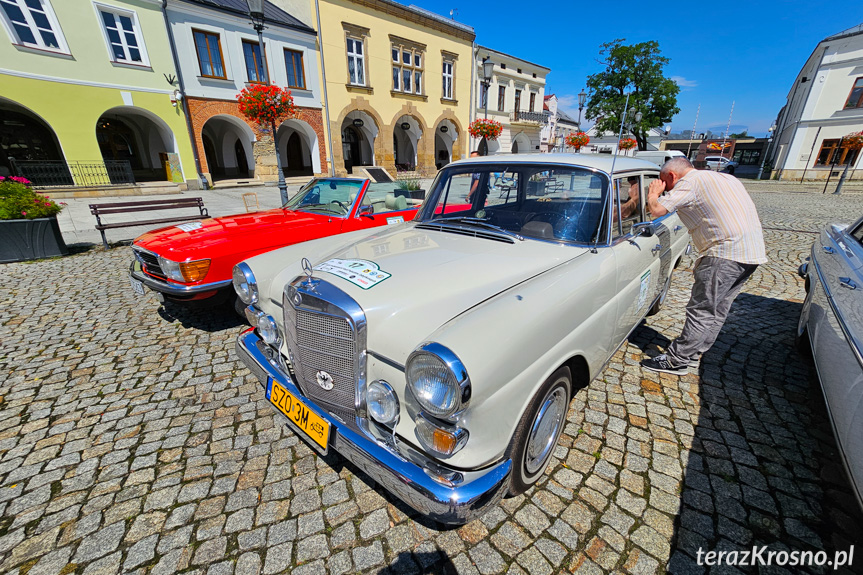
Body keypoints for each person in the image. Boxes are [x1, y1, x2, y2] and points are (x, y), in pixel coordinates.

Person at [640, 157, 767, 375]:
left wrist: (653, 194)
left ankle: (676, 360)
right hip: (751, 253)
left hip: (724, 254)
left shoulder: (689, 182)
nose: (667, 189)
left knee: (701, 309)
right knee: (718, 308)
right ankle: (695, 353)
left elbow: (658, 211)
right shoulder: (726, 178)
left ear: (672, 176)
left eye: (666, 184)